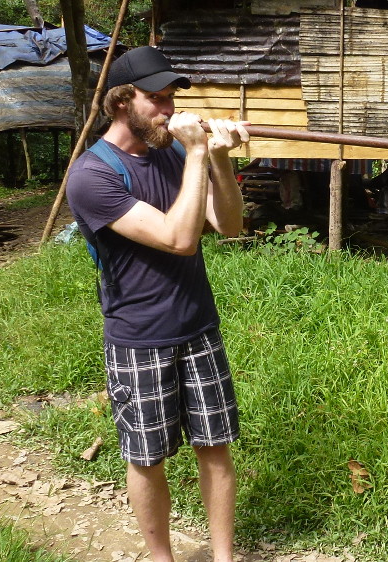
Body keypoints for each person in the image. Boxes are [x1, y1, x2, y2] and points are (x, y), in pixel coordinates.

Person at [65, 46, 250, 562]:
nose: (169, 110)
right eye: (157, 99)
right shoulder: (91, 176)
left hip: (197, 325)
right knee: (147, 457)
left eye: (172, 98)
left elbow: (229, 226)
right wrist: (195, 155)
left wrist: (216, 158)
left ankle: (223, 557)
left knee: (215, 447)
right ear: (122, 103)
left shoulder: (171, 154)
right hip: (139, 337)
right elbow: (179, 238)